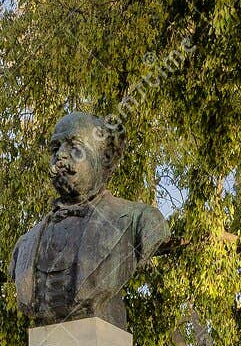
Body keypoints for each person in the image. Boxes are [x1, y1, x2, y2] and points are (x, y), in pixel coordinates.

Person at [11, 112, 170, 330]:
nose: (60, 156)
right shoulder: (24, 245)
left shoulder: (140, 221)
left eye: (74, 146)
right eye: (55, 148)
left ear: (105, 156)